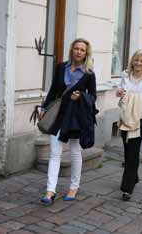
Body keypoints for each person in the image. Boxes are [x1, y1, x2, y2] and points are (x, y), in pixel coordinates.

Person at [40, 38, 97, 204]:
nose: (79, 52)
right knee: (54, 152)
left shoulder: (89, 73)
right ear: (72, 50)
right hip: (58, 114)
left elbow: (93, 97)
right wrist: (44, 108)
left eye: (82, 50)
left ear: (86, 53)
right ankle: (50, 191)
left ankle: (74, 187)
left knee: (74, 152)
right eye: (76, 48)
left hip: (75, 117)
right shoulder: (61, 67)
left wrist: (81, 96)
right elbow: (53, 90)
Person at [116, 50, 142, 201]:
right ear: (132, 61)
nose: (139, 63)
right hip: (125, 116)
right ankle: (135, 177)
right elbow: (120, 92)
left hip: (141, 118)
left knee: (133, 152)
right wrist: (120, 93)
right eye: (136, 60)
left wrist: (130, 96)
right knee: (127, 150)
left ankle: (127, 188)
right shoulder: (125, 74)